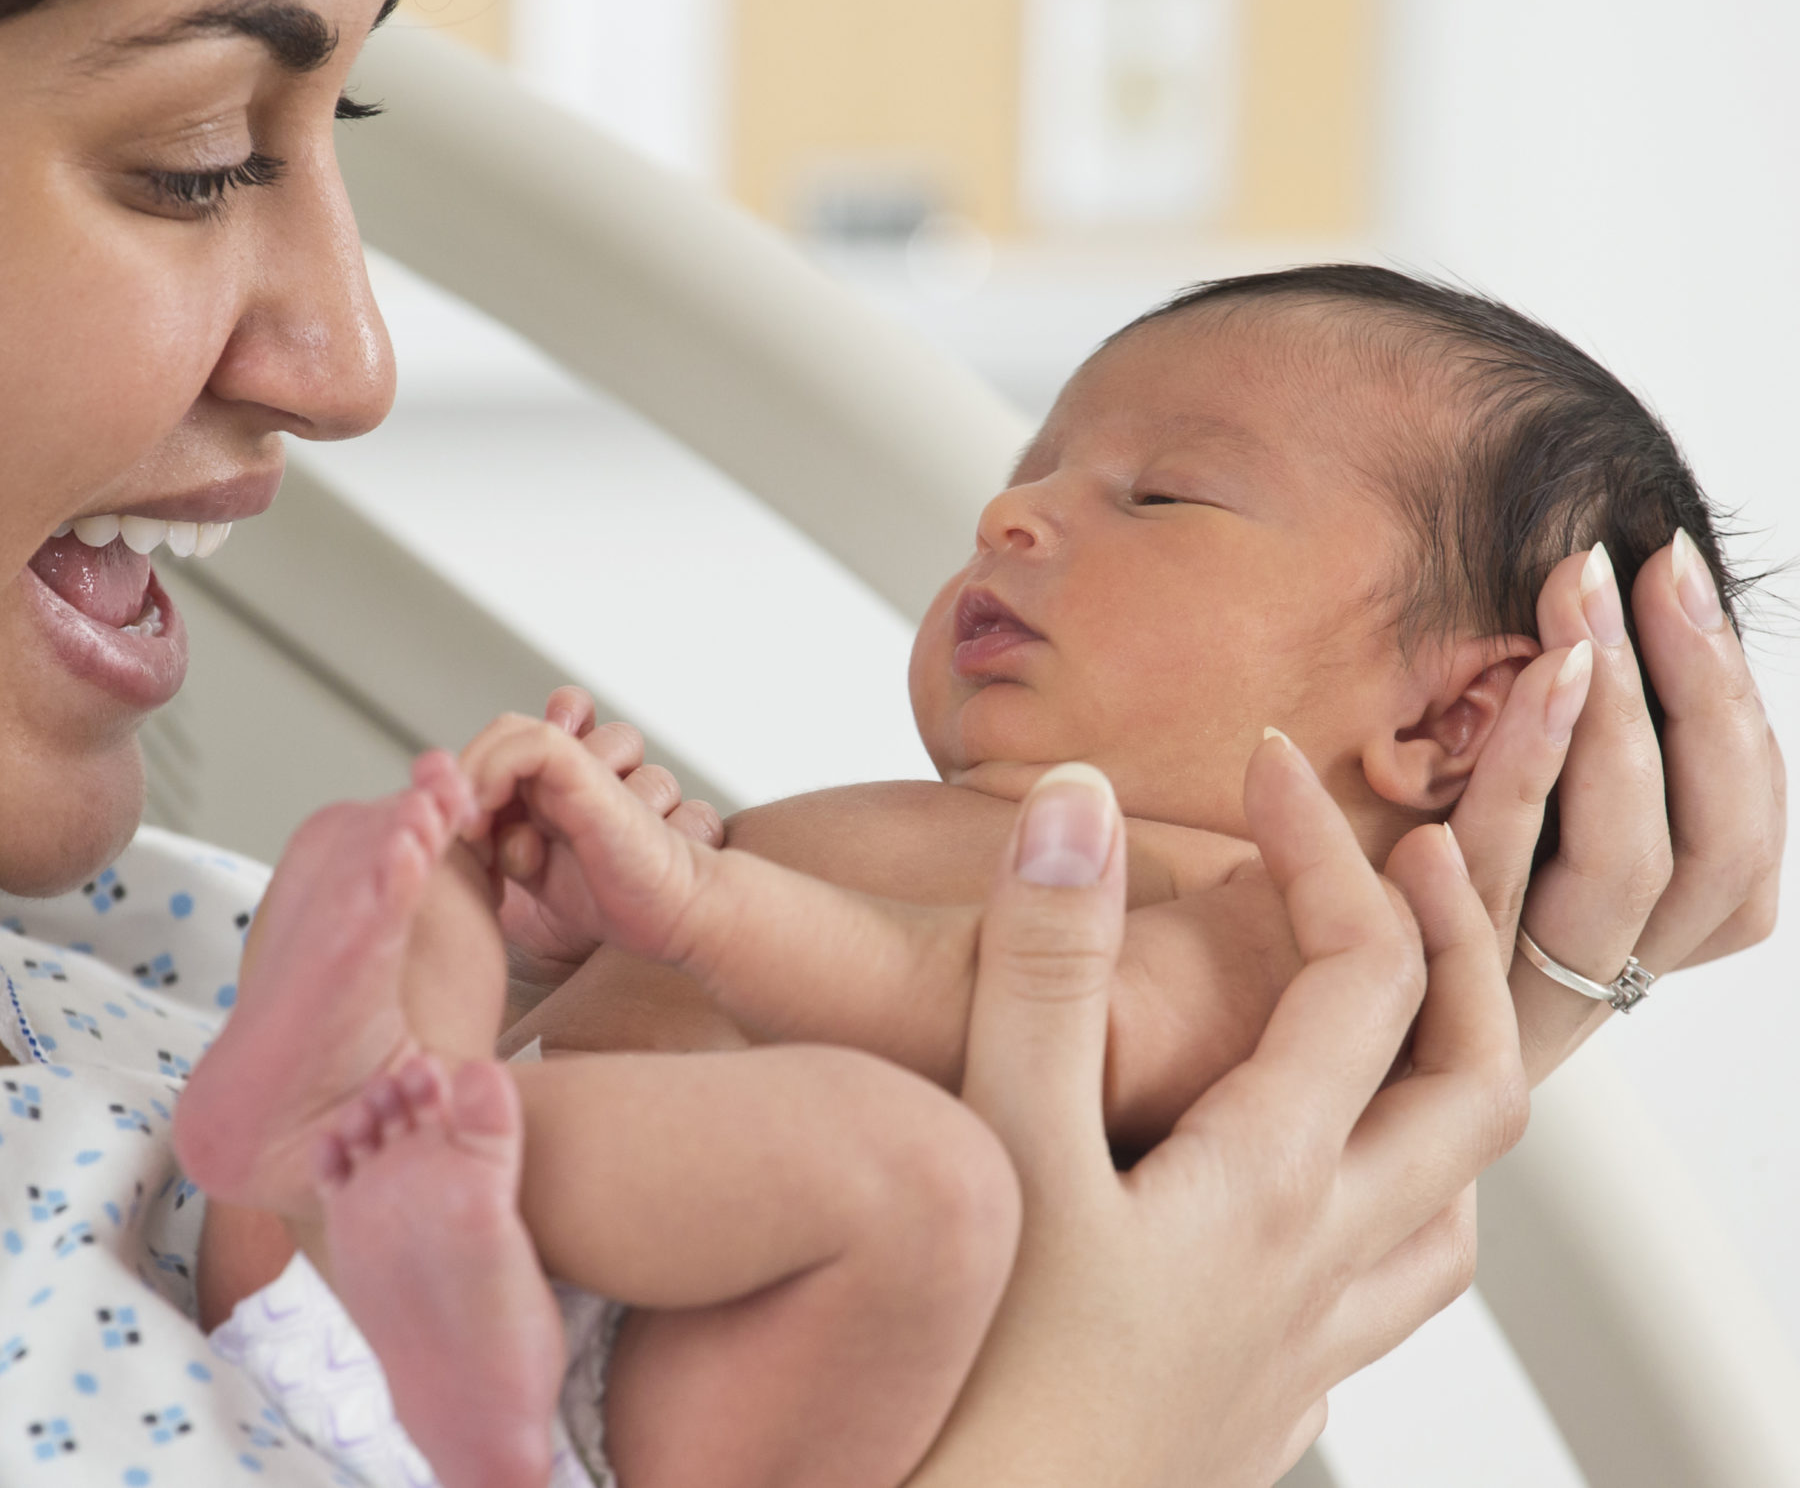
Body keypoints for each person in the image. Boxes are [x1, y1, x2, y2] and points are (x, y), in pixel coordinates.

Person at [0, 0, 1779, 1485]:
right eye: (191, 160)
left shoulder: (148, 942)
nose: (345, 364)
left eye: (321, 152)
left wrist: (1468, 997)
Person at [171, 265, 1757, 1487]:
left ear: (1443, 719)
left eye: (1160, 495)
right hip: (424, 1293)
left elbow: (994, 1012)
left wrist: (704, 908)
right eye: (1036, 469)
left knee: (913, 1182)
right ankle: (345, 1138)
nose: (1012, 515)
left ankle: (384, 1159)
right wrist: (561, 931)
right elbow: (721, 1006)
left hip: (654, 1399)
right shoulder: (938, 828)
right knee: (418, 866)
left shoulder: (1294, 935)